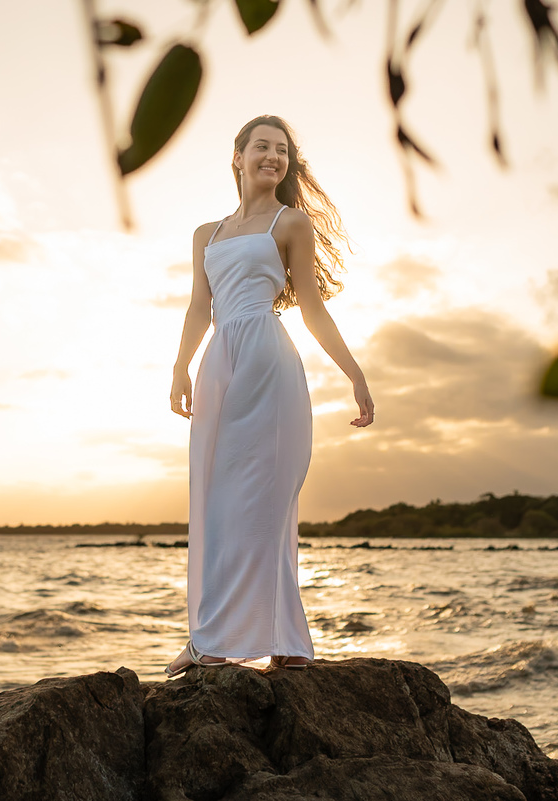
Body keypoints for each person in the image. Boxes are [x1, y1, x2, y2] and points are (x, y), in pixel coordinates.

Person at [165, 115, 374, 676]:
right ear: (237, 156)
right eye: (261, 147)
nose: (272, 158)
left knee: (267, 503)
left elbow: (311, 306)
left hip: (267, 361)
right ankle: (211, 634)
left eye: (282, 151)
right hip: (218, 367)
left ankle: (283, 640)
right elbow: (198, 307)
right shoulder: (205, 235)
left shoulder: (291, 223)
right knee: (217, 500)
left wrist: (354, 374)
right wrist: (180, 367)